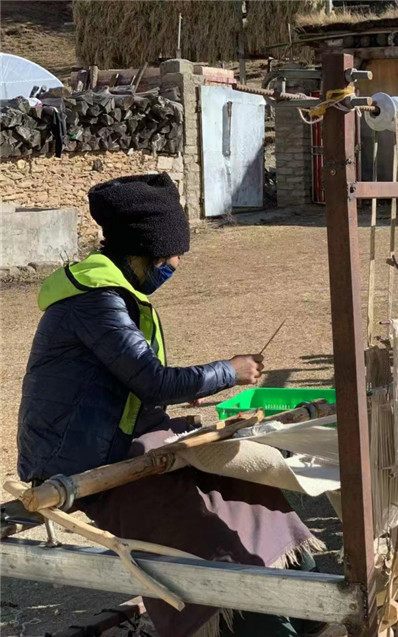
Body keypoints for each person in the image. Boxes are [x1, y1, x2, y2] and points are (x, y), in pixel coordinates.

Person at [17, 174, 322, 637]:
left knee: (244, 487)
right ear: (146, 251)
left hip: (124, 436)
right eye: (172, 255)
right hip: (78, 458)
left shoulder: (113, 296)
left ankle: (309, 606)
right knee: (196, 530)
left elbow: (133, 380)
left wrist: (185, 388)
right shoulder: (95, 303)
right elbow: (153, 381)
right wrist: (228, 370)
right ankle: (257, 622)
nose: (176, 263)